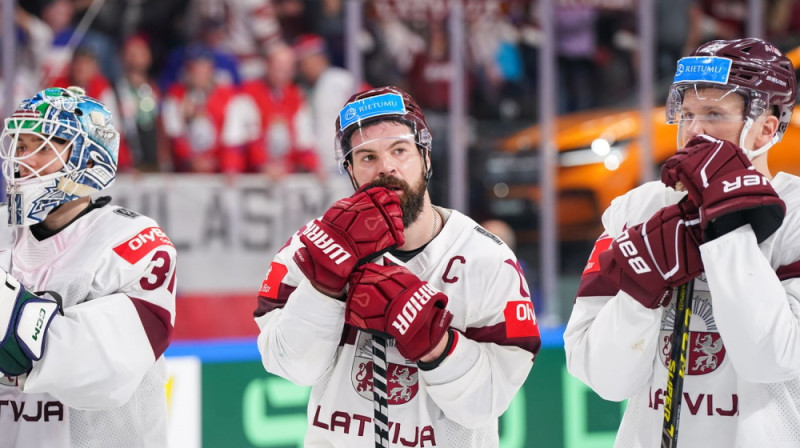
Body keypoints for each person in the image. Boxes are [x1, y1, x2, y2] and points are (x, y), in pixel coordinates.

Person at [254, 86, 540, 447]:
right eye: (367, 157)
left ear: (426, 158)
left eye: (399, 150)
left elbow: (486, 403)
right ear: (352, 172)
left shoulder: (488, 260)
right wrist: (324, 288)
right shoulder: (311, 247)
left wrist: (436, 344)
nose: (386, 167)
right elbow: (291, 367)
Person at [564, 37, 800, 447]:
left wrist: (725, 232)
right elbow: (601, 377)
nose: (693, 131)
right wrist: (640, 291)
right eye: (686, 113)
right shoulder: (636, 210)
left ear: (766, 128)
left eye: (713, 114)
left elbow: (772, 360)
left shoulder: (796, 216)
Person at [0, 86, 177, 446]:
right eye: (19, 145)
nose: (22, 159)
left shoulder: (136, 241)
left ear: (91, 162)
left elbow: (94, 370)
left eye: (42, 146)